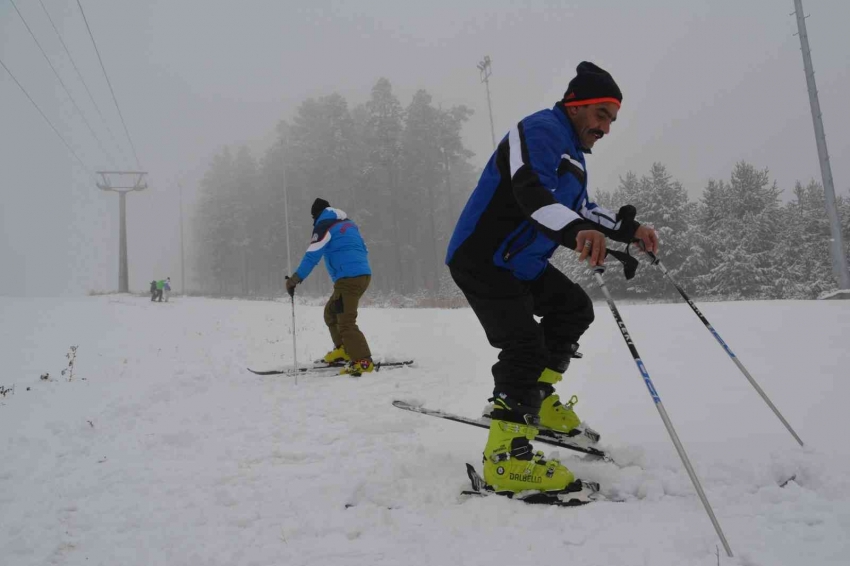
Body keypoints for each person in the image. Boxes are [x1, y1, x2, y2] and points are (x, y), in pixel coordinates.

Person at [445, 62, 659, 496]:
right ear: (575, 105)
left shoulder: (574, 157)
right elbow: (531, 192)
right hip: (483, 258)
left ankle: (536, 399)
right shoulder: (539, 130)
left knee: (573, 308)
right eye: (601, 115)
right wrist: (575, 231)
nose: (606, 128)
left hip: (521, 263)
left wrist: (628, 231)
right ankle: (505, 458)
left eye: (612, 120)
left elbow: (583, 208)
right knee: (524, 342)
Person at [285, 198, 375, 376]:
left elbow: (312, 256)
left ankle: (363, 361)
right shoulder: (349, 225)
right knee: (331, 312)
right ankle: (344, 349)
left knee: (346, 321)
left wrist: (295, 279)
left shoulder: (324, 225)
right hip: (362, 275)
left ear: (316, 215)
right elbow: (364, 249)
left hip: (348, 278)